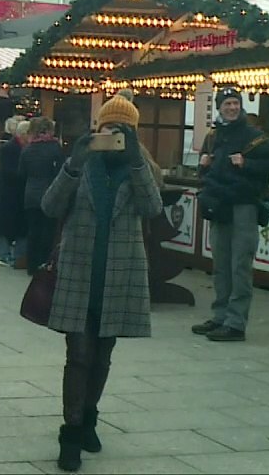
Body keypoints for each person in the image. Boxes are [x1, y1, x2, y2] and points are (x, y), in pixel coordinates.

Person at [40, 95, 161, 472]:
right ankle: (71, 434)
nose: (112, 134)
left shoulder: (141, 165)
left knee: (102, 356)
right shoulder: (83, 161)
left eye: (120, 129)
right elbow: (49, 206)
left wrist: (136, 162)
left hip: (120, 276)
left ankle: (89, 417)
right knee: (78, 356)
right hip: (79, 273)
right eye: (107, 127)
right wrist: (73, 165)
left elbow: (153, 208)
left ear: (132, 131)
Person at [194, 87, 269, 342]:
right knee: (221, 264)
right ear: (219, 107)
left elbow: (267, 166)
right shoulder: (215, 137)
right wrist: (203, 166)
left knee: (239, 265)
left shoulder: (255, 137)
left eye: (235, 103)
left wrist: (246, 163)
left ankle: (236, 322)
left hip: (244, 207)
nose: (232, 108)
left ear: (241, 106)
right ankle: (221, 316)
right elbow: (209, 170)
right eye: (227, 104)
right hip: (221, 206)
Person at [19, 116, 63, 274]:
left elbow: (21, 173)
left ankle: (31, 265)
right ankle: (45, 265)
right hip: (50, 194)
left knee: (33, 231)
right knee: (48, 232)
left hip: (30, 194)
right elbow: (60, 172)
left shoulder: (27, 150)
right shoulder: (55, 148)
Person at [0, 116, 27, 267]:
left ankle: (17, 256)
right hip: (7, 193)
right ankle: (4, 255)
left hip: (17, 194)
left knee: (17, 225)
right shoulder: (9, 148)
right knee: (3, 226)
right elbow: (8, 171)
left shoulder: (23, 148)